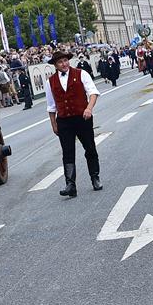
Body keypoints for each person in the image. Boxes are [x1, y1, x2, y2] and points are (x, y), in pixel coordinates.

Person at [45, 51, 102, 197]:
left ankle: (95, 177)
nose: (64, 64)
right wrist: (53, 124)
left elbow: (93, 93)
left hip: (82, 117)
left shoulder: (81, 74)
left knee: (90, 147)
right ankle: (70, 184)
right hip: (64, 120)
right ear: (55, 65)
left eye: (65, 60)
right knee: (67, 152)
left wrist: (89, 109)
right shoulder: (50, 81)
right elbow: (51, 106)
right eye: (60, 62)